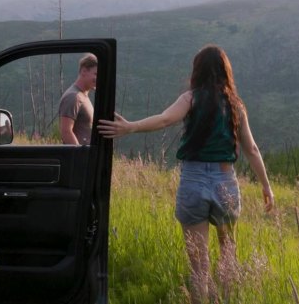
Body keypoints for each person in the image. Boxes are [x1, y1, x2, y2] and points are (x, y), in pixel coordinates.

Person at [98, 44, 274, 304]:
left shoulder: (190, 99)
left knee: (199, 266)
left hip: (193, 181)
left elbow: (165, 119)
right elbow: (252, 149)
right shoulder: (236, 105)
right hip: (226, 181)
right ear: (226, 71)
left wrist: (131, 127)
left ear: (197, 71)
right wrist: (266, 187)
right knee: (228, 254)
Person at [58, 53, 97, 145]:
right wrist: (80, 156)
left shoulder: (82, 96)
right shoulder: (73, 97)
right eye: (96, 74)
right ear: (84, 71)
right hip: (79, 158)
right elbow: (66, 132)